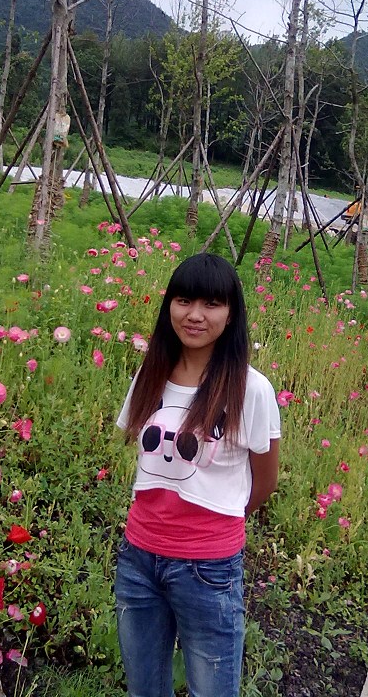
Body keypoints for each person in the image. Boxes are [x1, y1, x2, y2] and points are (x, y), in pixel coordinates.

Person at [115, 252, 281, 697]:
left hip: (208, 568)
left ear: (231, 314)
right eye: (184, 300)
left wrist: (213, 526)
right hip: (138, 558)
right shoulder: (151, 374)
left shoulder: (250, 388)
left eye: (211, 304)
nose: (194, 315)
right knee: (144, 689)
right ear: (169, 305)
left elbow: (264, 480)